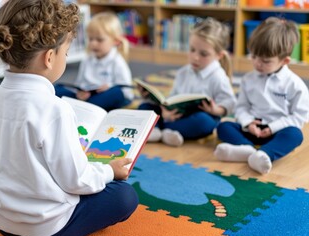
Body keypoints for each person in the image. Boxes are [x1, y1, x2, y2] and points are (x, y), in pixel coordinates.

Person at [0, 1, 138, 236]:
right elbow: (76, 181)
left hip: (2, 222)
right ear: (49, 57)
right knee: (124, 195)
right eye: (66, 53)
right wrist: (110, 172)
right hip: (46, 228)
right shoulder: (55, 109)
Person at [214, 17, 309, 174]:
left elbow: (299, 117)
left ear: (285, 61)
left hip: (277, 132)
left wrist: (272, 128)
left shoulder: (295, 85)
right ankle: (248, 150)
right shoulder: (248, 79)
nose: (257, 63)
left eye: (265, 61)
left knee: (295, 135)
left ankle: (265, 153)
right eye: (253, 56)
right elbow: (242, 107)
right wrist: (248, 123)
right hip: (251, 130)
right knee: (223, 126)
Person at [138, 17, 236, 147]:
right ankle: (163, 130)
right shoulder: (183, 72)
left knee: (205, 122)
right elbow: (173, 97)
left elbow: (230, 102)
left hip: (197, 118)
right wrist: (166, 111)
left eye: (203, 54)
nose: (195, 57)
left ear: (219, 56)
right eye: (192, 50)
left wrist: (216, 110)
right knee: (144, 107)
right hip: (175, 116)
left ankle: (160, 129)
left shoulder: (218, 77)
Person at [54, 11, 134, 111]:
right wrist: (80, 93)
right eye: (91, 39)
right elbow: (79, 83)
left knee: (116, 92)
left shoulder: (117, 62)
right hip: (88, 97)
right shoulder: (87, 59)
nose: (93, 44)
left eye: (99, 40)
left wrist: (109, 87)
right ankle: (84, 107)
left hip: (105, 96)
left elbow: (127, 92)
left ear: (115, 41)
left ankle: (82, 107)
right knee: (56, 89)